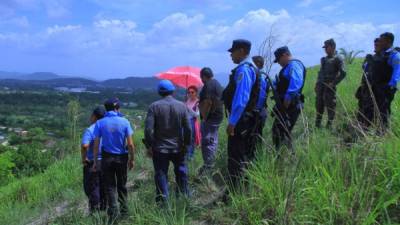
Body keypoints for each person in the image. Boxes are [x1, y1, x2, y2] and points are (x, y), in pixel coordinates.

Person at [144, 80, 192, 203]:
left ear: (159, 92)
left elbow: (148, 129)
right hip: (178, 147)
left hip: (160, 148)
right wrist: (186, 144)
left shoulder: (154, 106)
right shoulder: (182, 106)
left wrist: (149, 146)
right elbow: (188, 128)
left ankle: (163, 204)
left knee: (161, 175)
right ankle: (185, 199)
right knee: (181, 172)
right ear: (173, 91)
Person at [222, 39, 260, 187]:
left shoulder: (244, 70)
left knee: (236, 156)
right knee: (244, 154)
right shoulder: (251, 67)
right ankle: (244, 187)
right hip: (248, 119)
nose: (231, 55)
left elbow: (241, 99)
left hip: (241, 120)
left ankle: (234, 190)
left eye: (233, 52)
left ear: (242, 51)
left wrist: (232, 122)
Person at [92, 98, 135, 221]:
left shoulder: (100, 123)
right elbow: (131, 144)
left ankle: (113, 213)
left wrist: (95, 161)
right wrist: (132, 159)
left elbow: (96, 144)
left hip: (107, 158)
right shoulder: (125, 121)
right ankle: (125, 212)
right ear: (117, 108)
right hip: (121, 158)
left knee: (110, 186)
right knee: (122, 185)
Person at [363, 32, 400, 132]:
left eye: (381, 41)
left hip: (386, 89)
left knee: (383, 111)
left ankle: (383, 133)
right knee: (371, 109)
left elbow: (397, 71)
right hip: (375, 88)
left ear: (388, 41)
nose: (379, 42)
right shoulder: (381, 55)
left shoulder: (394, 55)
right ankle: (368, 130)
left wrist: (390, 86)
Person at [271, 46, 306, 150]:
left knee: (281, 131)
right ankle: (285, 155)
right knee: (280, 131)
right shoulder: (287, 67)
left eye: (279, 59)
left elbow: (296, 83)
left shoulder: (294, 65)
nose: (279, 63)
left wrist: (287, 100)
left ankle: (285, 156)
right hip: (285, 105)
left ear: (285, 55)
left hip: (291, 105)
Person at [315, 39, 346, 128]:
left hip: (329, 87)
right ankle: (317, 125)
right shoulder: (324, 59)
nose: (325, 49)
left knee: (330, 106)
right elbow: (320, 72)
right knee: (319, 105)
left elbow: (343, 73)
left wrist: (333, 83)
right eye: (325, 47)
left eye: (327, 47)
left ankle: (329, 126)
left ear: (332, 47)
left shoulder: (338, 58)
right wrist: (317, 83)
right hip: (320, 86)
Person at [198, 67, 224, 175]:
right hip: (217, 116)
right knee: (212, 140)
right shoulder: (217, 83)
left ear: (204, 76)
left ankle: (209, 166)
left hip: (211, 118)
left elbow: (208, 102)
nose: (201, 80)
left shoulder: (208, 85)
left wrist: (204, 117)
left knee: (208, 142)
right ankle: (209, 164)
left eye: (201, 78)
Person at [81, 106, 106, 213]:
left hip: (93, 162)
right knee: (104, 187)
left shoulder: (90, 129)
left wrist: (84, 158)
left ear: (94, 116)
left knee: (92, 188)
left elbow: (85, 145)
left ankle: (95, 214)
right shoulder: (107, 128)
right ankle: (104, 210)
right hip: (106, 162)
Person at [356, 38, 381, 128]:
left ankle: (368, 127)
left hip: (374, 89)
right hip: (364, 87)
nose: (375, 46)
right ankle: (361, 125)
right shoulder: (371, 57)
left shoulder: (382, 59)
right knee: (362, 107)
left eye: (377, 45)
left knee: (371, 109)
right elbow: (364, 70)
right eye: (375, 44)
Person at [252, 56, 269, 139]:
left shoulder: (259, 78)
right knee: (257, 136)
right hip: (261, 111)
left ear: (257, 64)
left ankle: (257, 152)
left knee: (254, 137)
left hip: (256, 112)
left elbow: (259, 98)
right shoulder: (263, 76)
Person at [185, 85, 201, 161]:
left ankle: (190, 156)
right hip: (185, 121)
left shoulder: (197, 102)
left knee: (191, 140)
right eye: (189, 92)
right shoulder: (187, 100)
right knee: (185, 139)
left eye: (192, 92)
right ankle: (186, 155)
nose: (190, 94)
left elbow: (197, 114)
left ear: (196, 93)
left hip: (192, 122)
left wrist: (188, 108)